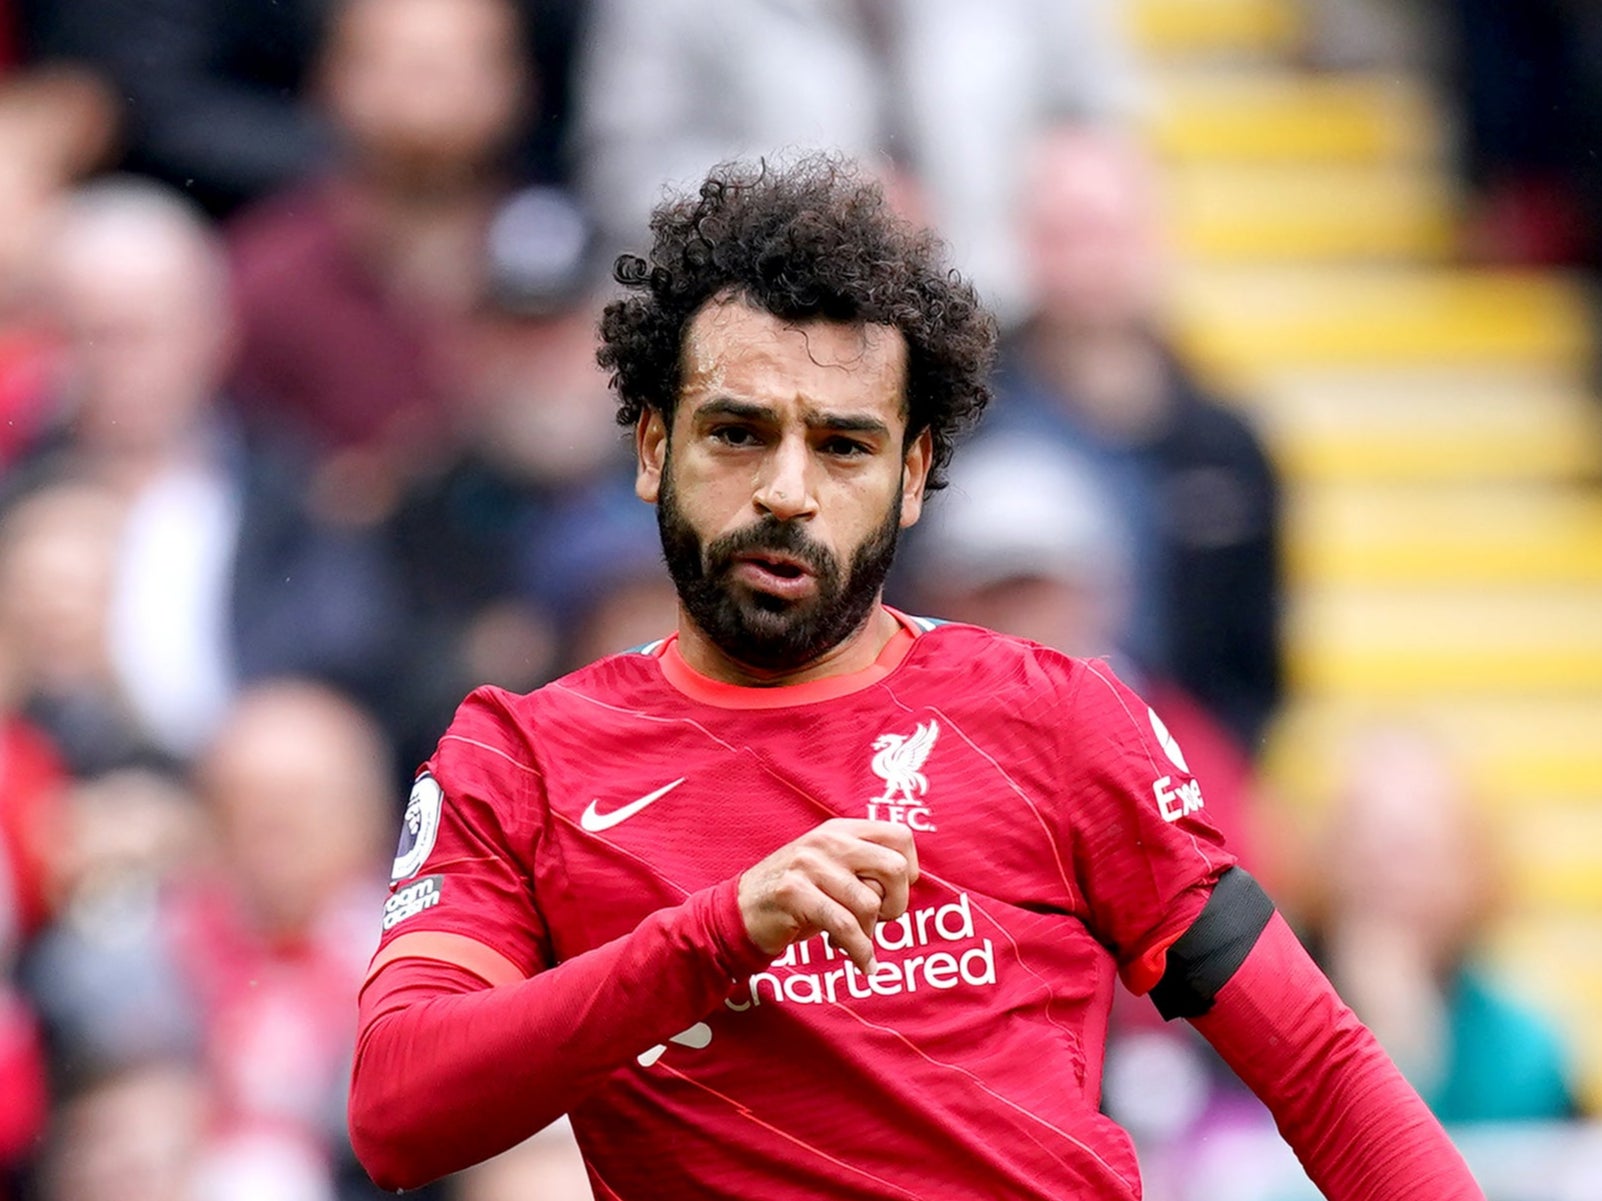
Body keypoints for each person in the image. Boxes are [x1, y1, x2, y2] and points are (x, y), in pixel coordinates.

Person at [348, 157, 1482, 1200]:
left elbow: (1325, 1071)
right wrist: (715, 937)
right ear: (652, 447)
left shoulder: (1061, 716)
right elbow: (397, 1110)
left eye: (843, 445)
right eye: (738, 433)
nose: (787, 489)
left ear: (915, 474)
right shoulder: (521, 757)